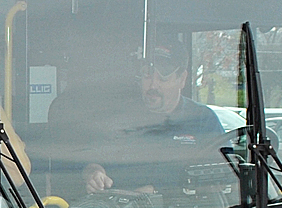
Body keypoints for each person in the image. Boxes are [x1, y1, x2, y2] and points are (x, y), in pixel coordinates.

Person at [70, 42, 226, 196]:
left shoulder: (202, 120)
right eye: (147, 75)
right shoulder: (119, 118)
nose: (153, 85)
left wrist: (162, 193)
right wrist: (95, 173)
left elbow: (223, 180)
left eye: (163, 79)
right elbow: (89, 160)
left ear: (182, 79)